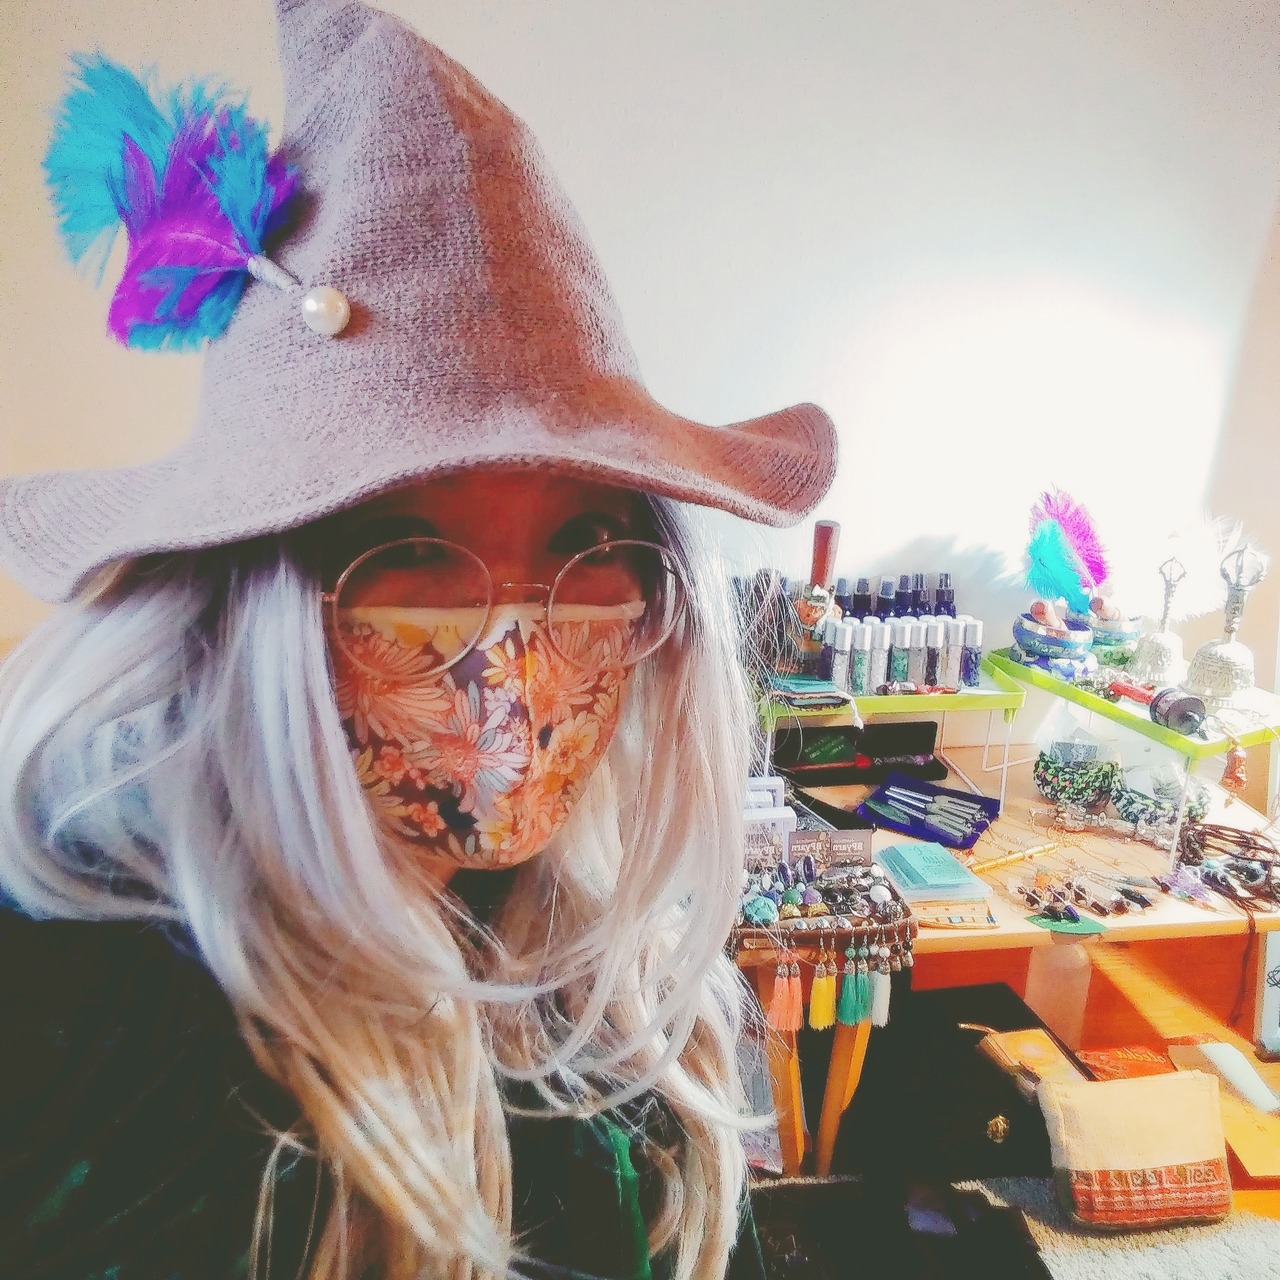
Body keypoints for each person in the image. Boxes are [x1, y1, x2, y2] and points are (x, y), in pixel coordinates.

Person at [0, 1, 836, 1277]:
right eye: (402, 546)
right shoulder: (98, 1032)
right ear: (244, 597)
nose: (509, 654)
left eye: (584, 540)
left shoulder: (600, 965)